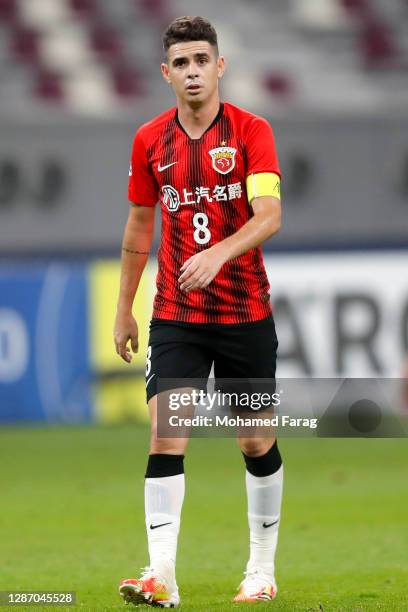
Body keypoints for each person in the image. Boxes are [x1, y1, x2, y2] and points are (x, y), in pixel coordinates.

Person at [114, 15, 283, 607]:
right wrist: (124, 308)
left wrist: (218, 254)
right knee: (167, 435)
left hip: (244, 313)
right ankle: (162, 575)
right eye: (180, 63)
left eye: (201, 60)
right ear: (166, 73)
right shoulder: (149, 141)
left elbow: (269, 215)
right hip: (177, 315)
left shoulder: (251, 131)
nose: (192, 72)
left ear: (220, 66)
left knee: (256, 443)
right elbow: (139, 226)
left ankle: (260, 571)